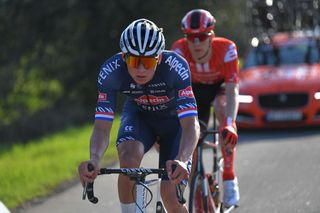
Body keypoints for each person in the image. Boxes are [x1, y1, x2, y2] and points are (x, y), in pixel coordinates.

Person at [78, 18, 200, 213]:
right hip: (140, 117)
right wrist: (94, 159)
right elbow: (102, 127)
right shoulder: (111, 71)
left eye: (148, 61)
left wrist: (183, 159)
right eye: (134, 61)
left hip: (174, 124)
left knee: (170, 196)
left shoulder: (176, 67)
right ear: (124, 57)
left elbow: (190, 124)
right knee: (128, 159)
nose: (141, 69)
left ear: (159, 58)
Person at [171, 9, 240, 207]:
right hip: (194, 93)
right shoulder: (178, 50)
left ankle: (228, 177)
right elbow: (175, 92)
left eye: (202, 37)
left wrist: (230, 124)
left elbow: (232, 89)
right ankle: (191, 192)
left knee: (222, 107)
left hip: (220, 89)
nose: (196, 43)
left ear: (212, 36)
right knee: (189, 138)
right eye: (191, 38)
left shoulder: (227, 48)